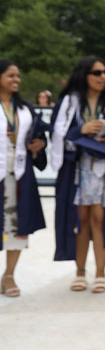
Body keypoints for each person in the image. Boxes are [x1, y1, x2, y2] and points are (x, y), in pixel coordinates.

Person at [50, 57, 105, 293]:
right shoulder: (68, 103)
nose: (103, 77)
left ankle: (101, 272)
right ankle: (80, 272)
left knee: (100, 219)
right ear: (84, 75)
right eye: (97, 72)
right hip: (77, 167)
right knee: (79, 220)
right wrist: (80, 130)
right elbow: (57, 134)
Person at [0, 60, 48, 297]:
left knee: (16, 228)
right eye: (10, 76)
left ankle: (9, 275)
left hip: (18, 176)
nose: (16, 80)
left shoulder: (25, 108)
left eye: (17, 76)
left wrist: (39, 145)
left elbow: (38, 136)